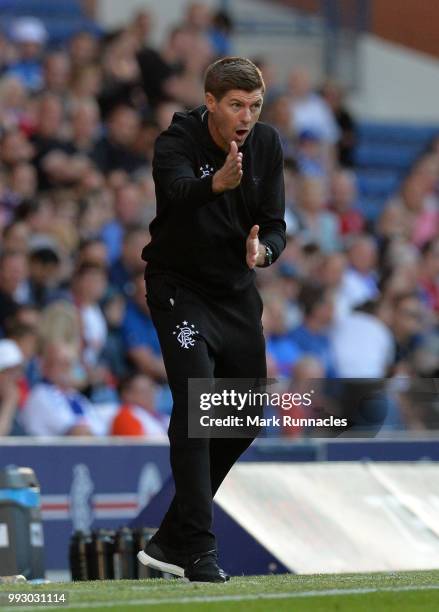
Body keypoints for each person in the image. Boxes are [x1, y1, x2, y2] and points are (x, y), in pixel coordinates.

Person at [137, 57, 286, 582]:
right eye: (236, 105)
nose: (247, 116)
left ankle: (171, 538)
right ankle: (198, 547)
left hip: (235, 293)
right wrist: (217, 184)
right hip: (180, 289)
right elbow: (176, 194)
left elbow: (275, 225)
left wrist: (263, 252)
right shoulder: (175, 143)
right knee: (199, 401)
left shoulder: (266, 145)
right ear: (211, 103)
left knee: (243, 418)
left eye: (255, 106)